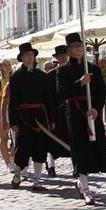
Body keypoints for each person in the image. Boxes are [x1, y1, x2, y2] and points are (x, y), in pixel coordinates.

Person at [57, 32, 106, 205]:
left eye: (80, 46)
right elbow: (61, 93)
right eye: (74, 46)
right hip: (74, 113)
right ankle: (86, 187)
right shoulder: (63, 70)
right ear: (69, 50)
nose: (78, 49)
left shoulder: (93, 68)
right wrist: (80, 83)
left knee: (93, 147)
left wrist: (96, 107)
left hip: (92, 113)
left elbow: (101, 91)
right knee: (80, 148)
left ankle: (81, 183)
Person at [8, 42, 55, 191]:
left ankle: (37, 180)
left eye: (31, 54)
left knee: (40, 148)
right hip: (23, 117)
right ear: (21, 58)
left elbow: (48, 98)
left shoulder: (42, 75)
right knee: (23, 147)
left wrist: (51, 119)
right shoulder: (15, 76)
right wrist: (13, 121)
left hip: (41, 117)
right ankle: (17, 174)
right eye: (27, 54)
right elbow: (13, 100)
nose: (30, 56)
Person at [44, 46, 70, 177]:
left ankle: (77, 167)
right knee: (52, 140)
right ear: (57, 58)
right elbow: (47, 97)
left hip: (71, 111)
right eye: (60, 56)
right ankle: (51, 165)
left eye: (64, 55)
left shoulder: (74, 71)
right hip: (56, 112)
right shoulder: (50, 76)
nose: (63, 57)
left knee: (73, 139)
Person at [0, 58, 15, 172]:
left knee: (16, 139)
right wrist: (2, 116)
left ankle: (12, 157)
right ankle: (8, 163)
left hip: (14, 112)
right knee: (4, 138)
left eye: (9, 64)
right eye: (5, 65)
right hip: (3, 112)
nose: (8, 67)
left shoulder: (15, 79)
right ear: (1, 67)